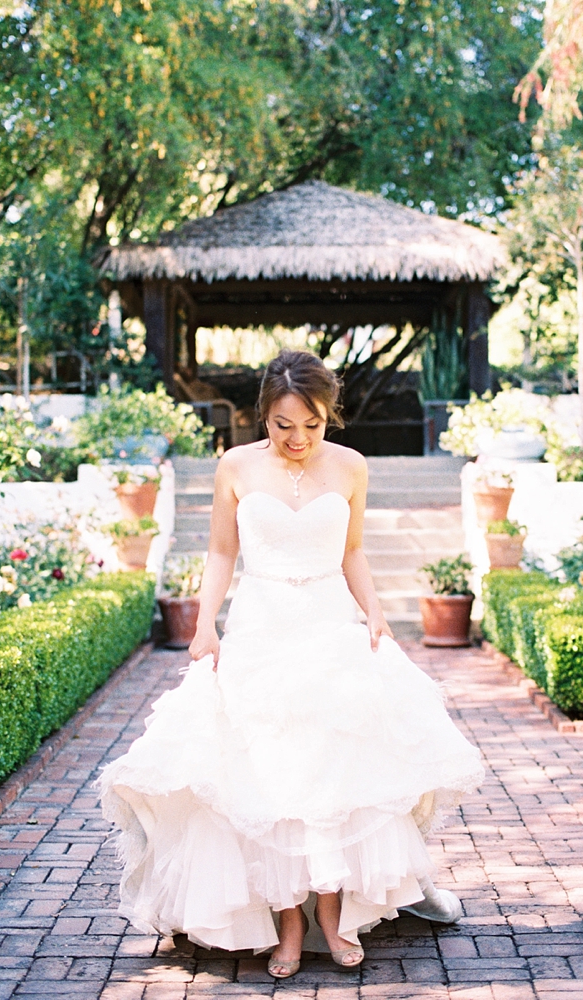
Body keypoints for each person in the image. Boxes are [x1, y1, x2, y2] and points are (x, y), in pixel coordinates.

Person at [99, 349, 484, 979]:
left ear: (329, 415)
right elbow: (222, 553)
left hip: (330, 622)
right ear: (263, 418)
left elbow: (353, 550)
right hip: (261, 625)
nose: (298, 438)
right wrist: (206, 626)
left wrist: (376, 612)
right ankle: (289, 923)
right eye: (283, 425)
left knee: (332, 769)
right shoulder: (235, 468)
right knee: (269, 772)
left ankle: (333, 919)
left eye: (311, 424)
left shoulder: (352, 467)